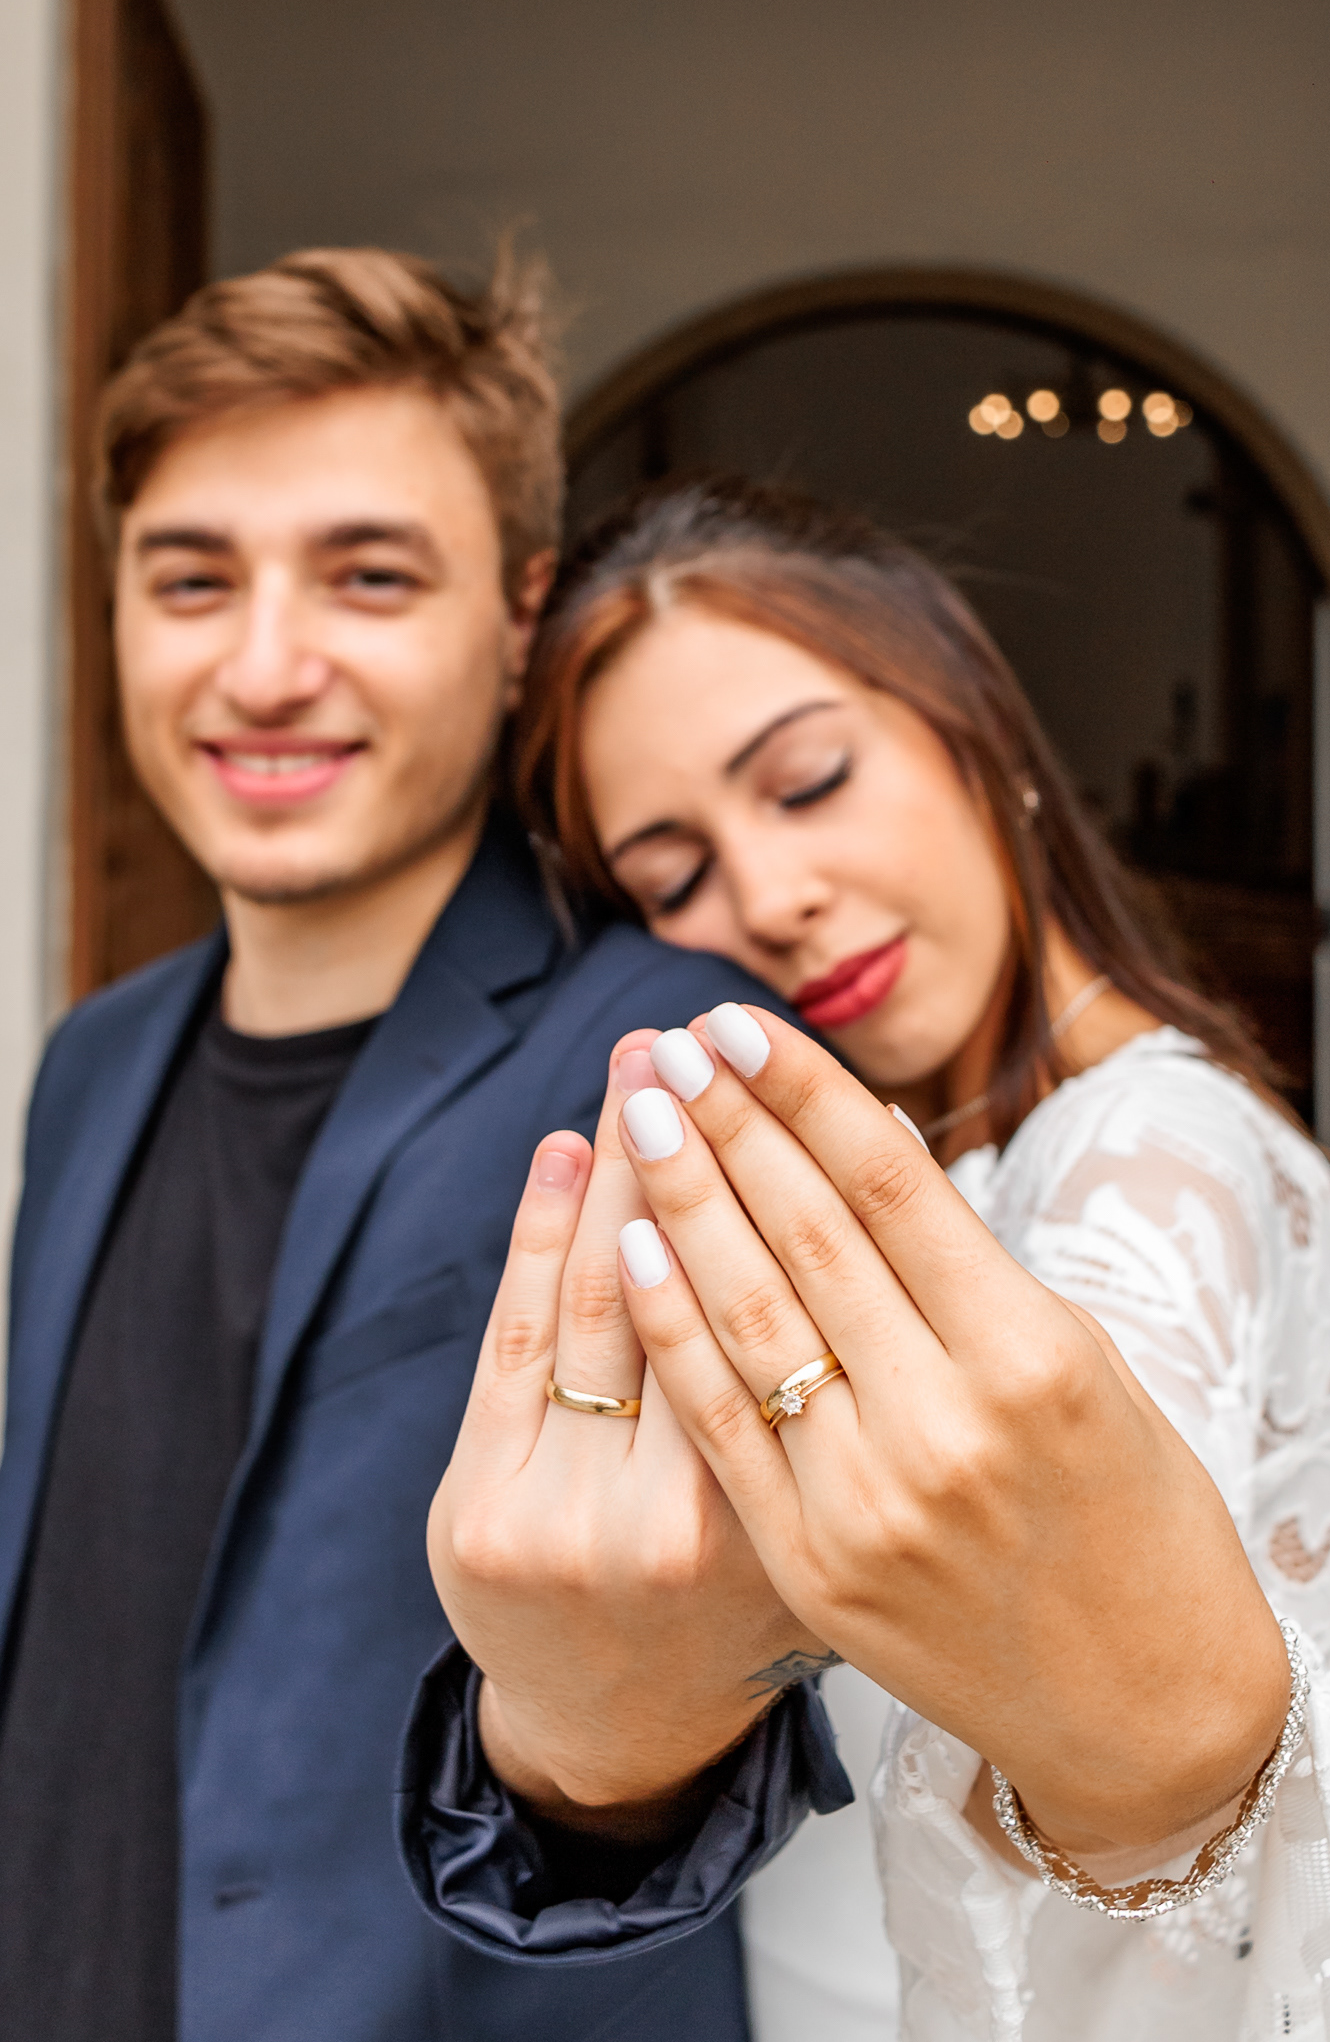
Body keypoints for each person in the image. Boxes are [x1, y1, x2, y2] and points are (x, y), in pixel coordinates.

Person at [407, 477, 1330, 2040]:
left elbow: (1109, 1777)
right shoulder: (941, 1172)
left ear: (970, 722)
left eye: (807, 781)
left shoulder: (1142, 1161)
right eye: (672, 879)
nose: (770, 897)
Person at [0, 264, 820, 2042]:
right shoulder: (90, 1066)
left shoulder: (675, 1057)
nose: (263, 668)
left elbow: (751, 1679)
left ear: (521, 613)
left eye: (367, 577)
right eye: (191, 579)